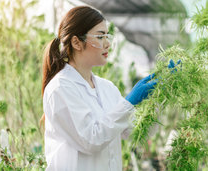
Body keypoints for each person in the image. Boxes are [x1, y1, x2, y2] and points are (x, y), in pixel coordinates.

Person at [41, 6, 174, 171]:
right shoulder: (60, 88)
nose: (107, 43)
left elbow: (138, 133)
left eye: (107, 36)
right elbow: (91, 140)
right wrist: (129, 102)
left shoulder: (107, 88)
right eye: (100, 36)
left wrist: (161, 95)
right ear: (76, 42)